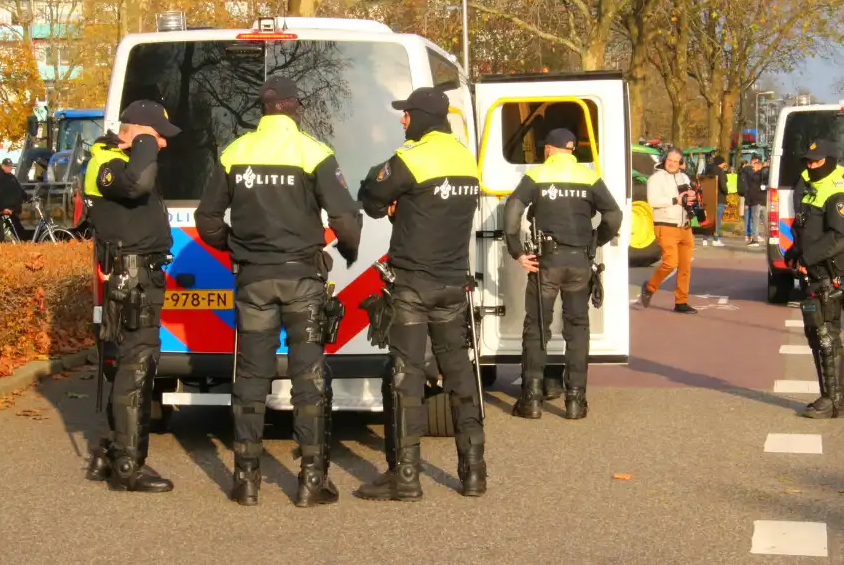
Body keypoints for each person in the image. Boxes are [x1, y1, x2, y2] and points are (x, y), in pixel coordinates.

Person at [195, 76, 362, 507]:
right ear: (296, 109)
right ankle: (311, 481)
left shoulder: (236, 152)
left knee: (251, 378)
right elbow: (345, 217)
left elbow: (207, 218)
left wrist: (235, 247)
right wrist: (348, 251)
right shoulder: (314, 152)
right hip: (302, 279)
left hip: (253, 280)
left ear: (264, 110)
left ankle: (245, 480)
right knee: (308, 379)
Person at [355, 86, 485, 501]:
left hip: (412, 286)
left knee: (405, 377)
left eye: (406, 113)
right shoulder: (467, 158)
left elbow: (371, 194)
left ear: (421, 116)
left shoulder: (412, 157)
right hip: (452, 285)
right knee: (460, 376)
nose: (401, 120)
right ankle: (474, 473)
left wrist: (390, 205)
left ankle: (406, 477)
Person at [83, 100, 180, 493]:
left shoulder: (118, 161)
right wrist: (142, 143)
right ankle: (128, 464)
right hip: (131, 280)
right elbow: (136, 183)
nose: (163, 145)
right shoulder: (105, 164)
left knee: (135, 365)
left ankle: (113, 449)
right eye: (159, 137)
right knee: (135, 369)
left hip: (140, 278)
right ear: (139, 132)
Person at [504, 128, 622, 420]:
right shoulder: (589, 176)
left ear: (547, 149)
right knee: (578, 328)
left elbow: (512, 210)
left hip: (547, 263)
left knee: (537, 328)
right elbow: (614, 215)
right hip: (579, 262)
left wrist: (517, 251)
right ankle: (575, 402)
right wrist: (597, 240)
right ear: (572, 150)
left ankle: (531, 401)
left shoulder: (537, 176)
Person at [784, 139, 844, 419]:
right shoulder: (813, 189)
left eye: (816, 161)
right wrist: (794, 252)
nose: (811, 165)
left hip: (827, 273)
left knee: (826, 337)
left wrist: (807, 258)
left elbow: (840, 237)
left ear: (829, 161)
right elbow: (805, 228)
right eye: (808, 161)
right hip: (812, 273)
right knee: (817, 336)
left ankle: (833, 399)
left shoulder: (840, 193)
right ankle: (837, 399)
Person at [639, 147, 698, 314]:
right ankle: (649, 288)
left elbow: (687, 199)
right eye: (669, 160)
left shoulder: (684, 177)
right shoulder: (655, 179)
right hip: (665, 225)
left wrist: (691, 198)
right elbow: (653, 201)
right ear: (665, 160)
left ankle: (681, 302)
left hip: (684, 226)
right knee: (670, 262)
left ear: (681, 163)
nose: (671, 164)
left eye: (675, 161)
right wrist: (675, 199)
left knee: (685, 266)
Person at [0, 158, 29, 241]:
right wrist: (2, 209)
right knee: (15, 232)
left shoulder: (12, 177)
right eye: (7, 166)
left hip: (13, 210)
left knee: (18, 231)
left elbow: (19, 189)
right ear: (2, 166)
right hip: (6, 211)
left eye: (11, 166)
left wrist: (26, 197)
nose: (10, 168)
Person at [705, 156, 734, 246]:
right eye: (723, 162)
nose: (724, 164)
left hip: (709, 198)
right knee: (717, 220)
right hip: (719, 198)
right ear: (720, 163)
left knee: (709, 219)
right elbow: (723, 185)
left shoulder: (707, 170)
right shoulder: (720, 172)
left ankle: (705, 238)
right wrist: (727, 191)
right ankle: (715, 239)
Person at [739, 155, 768, 246]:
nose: (753, 168)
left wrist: (747, 202)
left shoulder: (753, 177)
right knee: (766, 221)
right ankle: (770, 237)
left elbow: (750, 191)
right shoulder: (764, 177)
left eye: (754, 166)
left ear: (757, 166)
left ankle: (755, 240)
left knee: (755, 221)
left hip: (755, 202)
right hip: (763, 201)